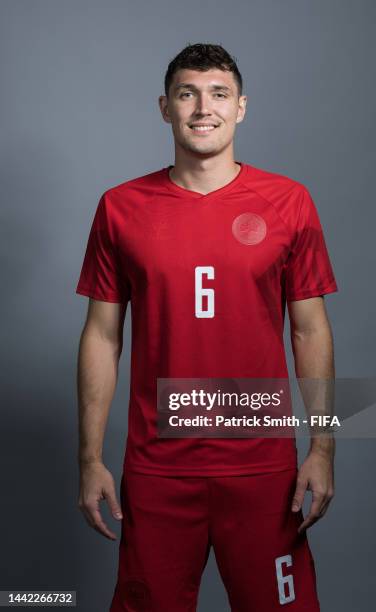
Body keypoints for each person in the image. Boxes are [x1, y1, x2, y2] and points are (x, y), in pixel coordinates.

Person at [76, 43, 338, 612]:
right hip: (158, 468)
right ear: (164, 108)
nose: (203, 107)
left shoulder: (289, 202)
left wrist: (323, 445)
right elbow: (102, 335)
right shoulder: (120, 207)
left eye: (219, 93)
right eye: (187, 93)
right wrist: (90, 458)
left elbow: (309, 332)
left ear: (240, 107)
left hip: (263, 467)